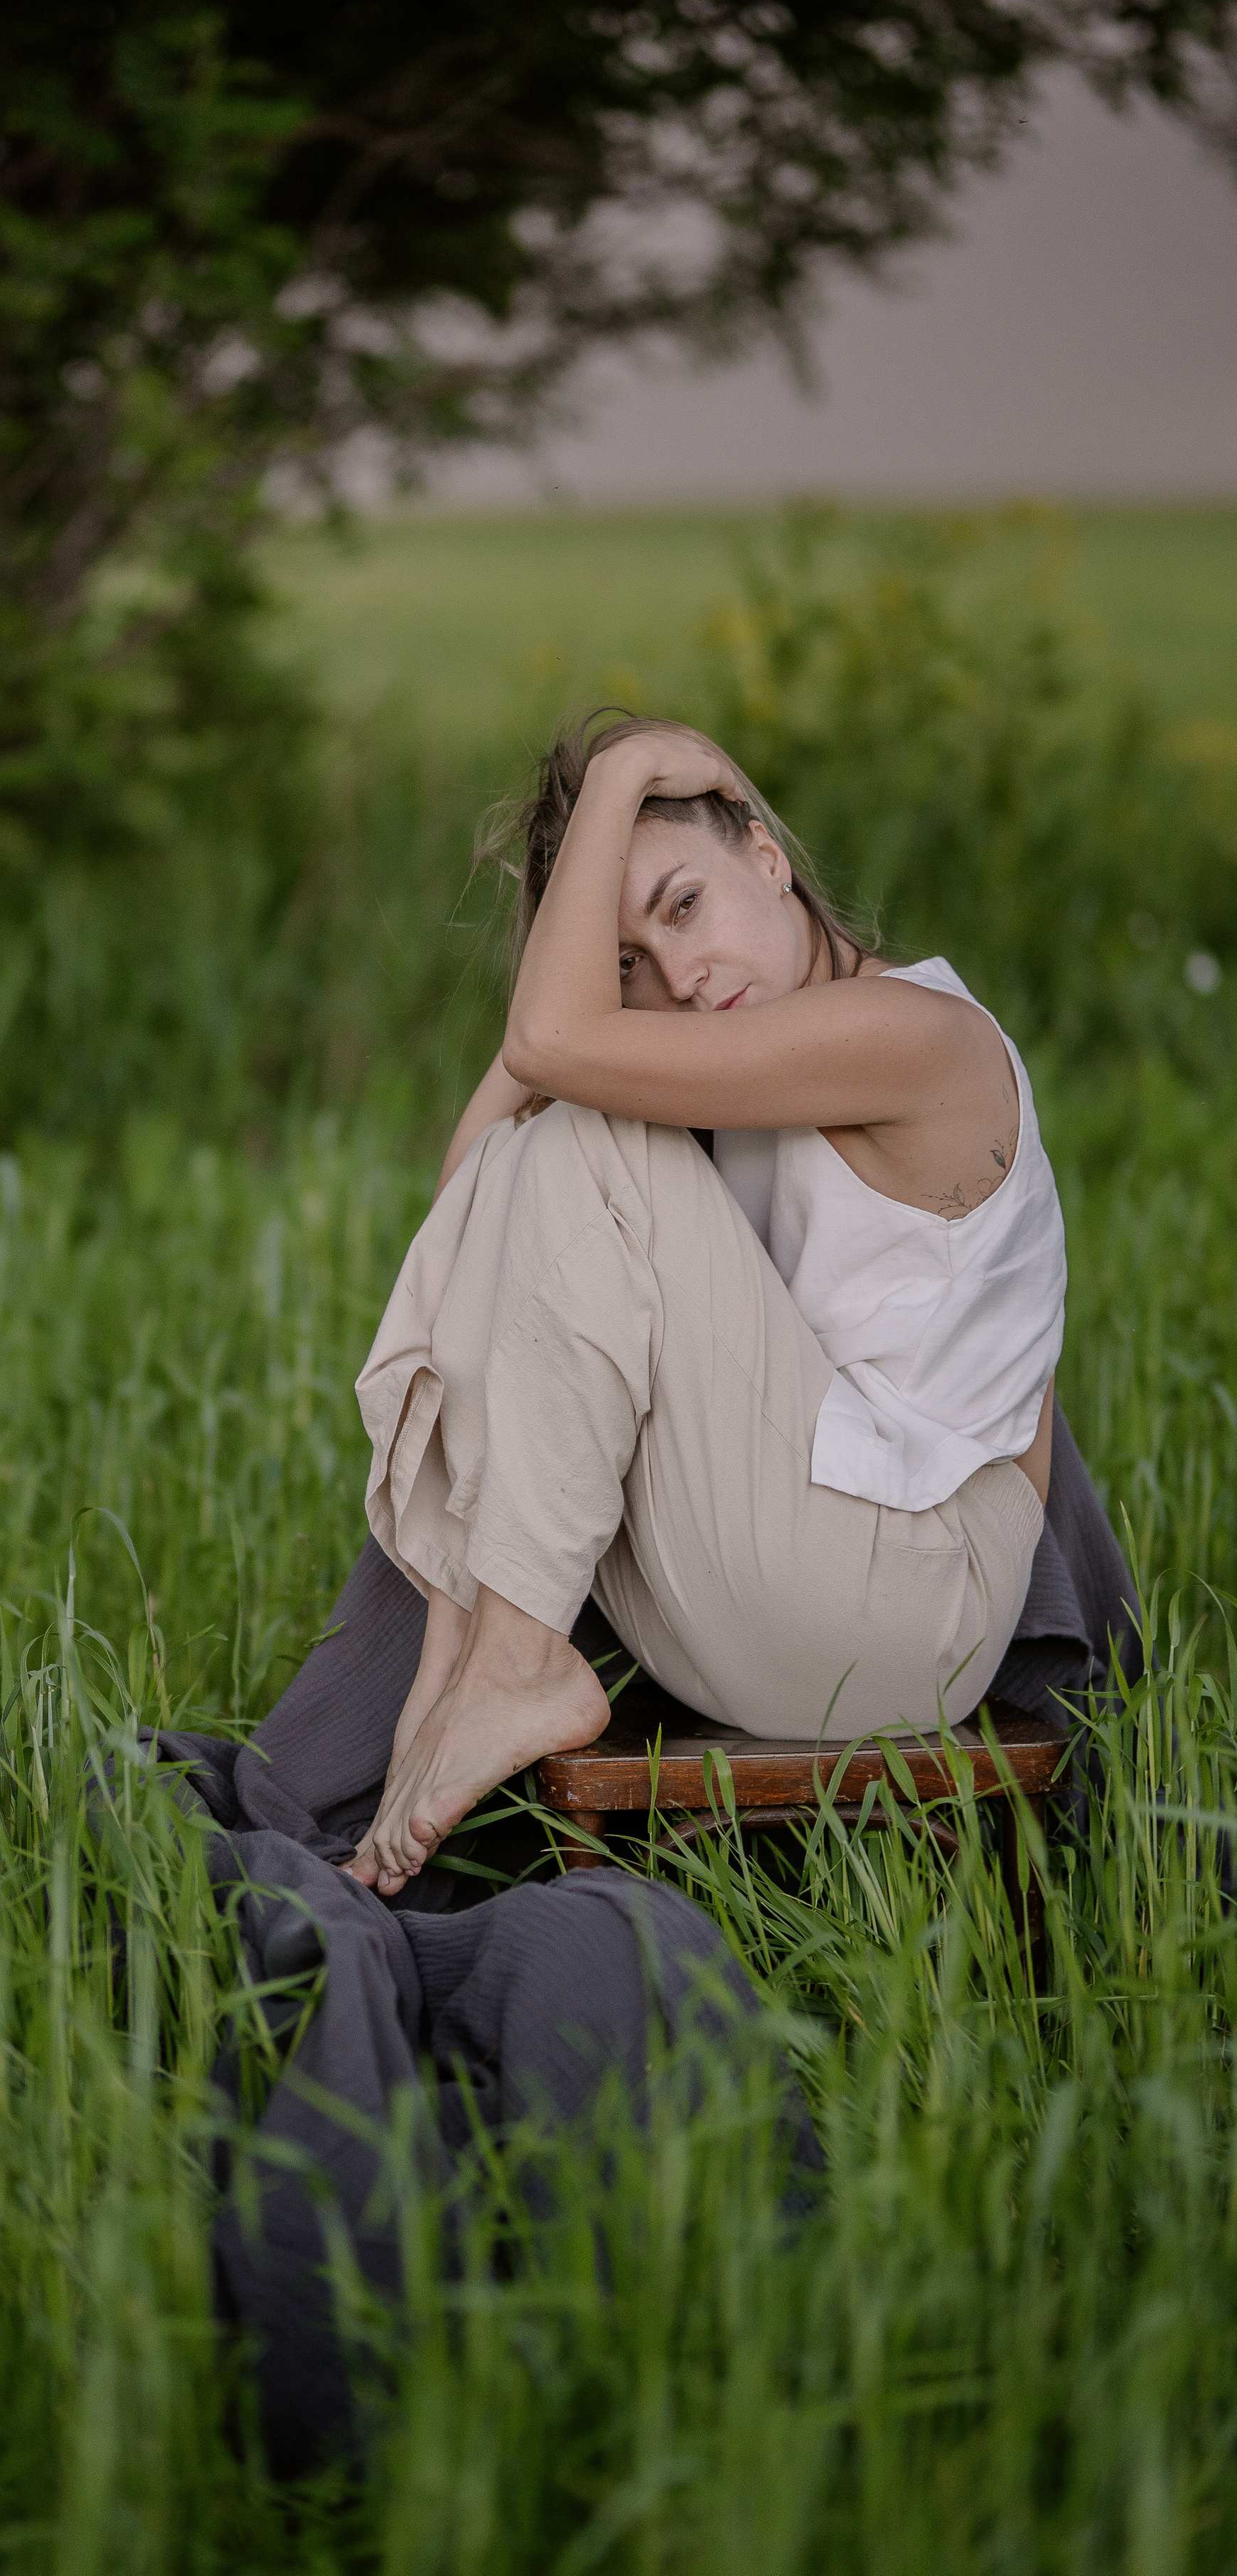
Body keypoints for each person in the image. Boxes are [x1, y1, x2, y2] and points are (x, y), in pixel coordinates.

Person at [344, 713, 1066, 1898]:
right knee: (534, 1169)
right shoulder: (732, 1070)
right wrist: (591, 965)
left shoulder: (918, 1038)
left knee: (580, 1138)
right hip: (784, 1589)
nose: (678, 979)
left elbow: (551, 1041)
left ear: (767, 857)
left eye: (683, 906)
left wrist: (626, 774)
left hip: (909, 1609)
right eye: (629, 962)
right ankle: (471, 1662)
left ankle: (511, 1662)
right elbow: (470, 1196)